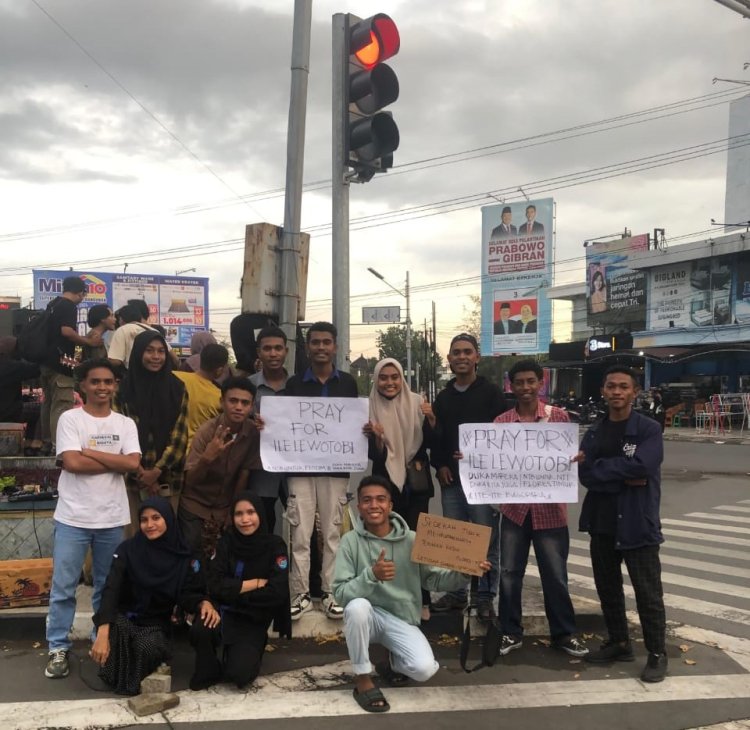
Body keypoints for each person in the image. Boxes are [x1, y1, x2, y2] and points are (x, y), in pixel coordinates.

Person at [333, 476, 490, 713]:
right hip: (368, 616)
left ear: (390, 505)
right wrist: (371, 575)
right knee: (356, 607)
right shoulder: (350, 541)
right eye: (367, 500)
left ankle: (392, 662)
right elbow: (341, 594)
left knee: (424, 669)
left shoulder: (413, 539)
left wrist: (465, 572)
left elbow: (434, 580)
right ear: (359, 508)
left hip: (401, 618)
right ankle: (363, 679)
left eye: (380, 499)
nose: (374, 505)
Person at [44, 359, 141, 680]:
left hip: (112, 518)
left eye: (108, 382)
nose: (102, 387)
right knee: (63, 587)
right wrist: (115, 460)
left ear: (116, 386)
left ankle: (103, 638)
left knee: (107, 586)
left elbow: (132, 465)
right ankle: (58, 646)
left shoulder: (125, 424)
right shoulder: (70, 419)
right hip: (73, 517)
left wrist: (92, 453)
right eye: (95, 381)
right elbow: (71, 462)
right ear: (82, 385)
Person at [492, 360, 588, 658]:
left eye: (530, 381)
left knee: (556, 576)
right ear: (511, 385)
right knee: (509, 573)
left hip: (550, 512)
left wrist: (576, 458)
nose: (525, 387)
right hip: (514, 512)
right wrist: (472, 458)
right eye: (519, 382)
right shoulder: (501, 424)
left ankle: (564, 633)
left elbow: (569, 456)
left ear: (540, 382)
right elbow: (492, 461)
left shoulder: (558, 418)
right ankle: (510, 632)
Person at [578, 366, 667, 683]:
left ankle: (657, 653)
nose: (616, 392)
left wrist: (604, 471)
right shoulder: (594, 431)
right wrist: (624, 476)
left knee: (648, 593)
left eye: (623, 387)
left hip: (637, 524)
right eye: (611, 386)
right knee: (608, 589)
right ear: (603, 391)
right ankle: (619, 642)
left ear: (635, 392)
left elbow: (644, 465)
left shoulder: (648, 429)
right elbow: (584, 474)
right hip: (601, 523)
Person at [90, 496, 220, 695]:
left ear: (167, 518)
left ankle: (146, 663)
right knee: (116, 638)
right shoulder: (128, 550)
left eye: (156, 518)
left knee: (144, 647)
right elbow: (111, 589)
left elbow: (187, 593)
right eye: (144, 520)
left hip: (155, 625)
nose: (150, 525)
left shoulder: (182, 556)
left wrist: (203, 602)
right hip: (126, 618)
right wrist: (102, 630)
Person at [283, 322, 359, 621]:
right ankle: (299, 593)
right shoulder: (294, 385)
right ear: (308, 347)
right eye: (315, 342)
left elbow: (352, 422)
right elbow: (285, 424)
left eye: (327, 342)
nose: (321, 348)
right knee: (299, 532)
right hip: (300, 468)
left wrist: (362, 429)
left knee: (332, 533)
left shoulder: (348, 384)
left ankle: (331, 592)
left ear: (335, 347)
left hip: (335, 469)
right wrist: (271, 425)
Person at [430, 333, 505, 620]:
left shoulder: (492, 394)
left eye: (467, 352)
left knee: (486, 540)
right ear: (449, 359)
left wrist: (480, 459)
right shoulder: (444, 397)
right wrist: (440, 465)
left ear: (477, 357)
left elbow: (503, 439)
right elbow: (437, 438)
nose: (461, 357)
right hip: (451, 482)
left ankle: (485, 596)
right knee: (457, 540)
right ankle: (458, 593)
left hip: (484, 483)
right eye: (456, 353)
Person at [191, 492, 291, 690]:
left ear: (260, 514)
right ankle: (209, 666)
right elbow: (215, 584)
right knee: (200, 628)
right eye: (239, 514)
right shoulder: (226, 542)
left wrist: (233, 594)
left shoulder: (274, 545)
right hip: (224, 612)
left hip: (251, 619)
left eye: (250, 512)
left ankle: (249, 649)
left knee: (239, 675)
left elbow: (276, 592)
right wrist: (253, 583)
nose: (245, 520)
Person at [365, 358, 436, 621]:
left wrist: (430, 419)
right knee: (386, 543)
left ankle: (422, 599)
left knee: (418, 543)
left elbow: (431, 442)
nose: (389, 382)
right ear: (376, 380)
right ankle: (389, 599)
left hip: (416, 484)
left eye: (394, 377)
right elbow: (372, 455)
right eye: (383, 377)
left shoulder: (418, 402)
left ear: (402, 378)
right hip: (384, 484)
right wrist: (377, 438)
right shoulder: (368, 406)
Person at [114, 330, 189, 532]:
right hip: (132, 482)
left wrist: (156, 472)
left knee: (164, 537)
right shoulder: (123, 390)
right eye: (149, 351)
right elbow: (119, 435)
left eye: (161, 351)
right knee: (134, 538)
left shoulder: (177, 388)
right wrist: (142, 474)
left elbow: (179, 437)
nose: (156, 357)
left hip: (169, 480)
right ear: (138, 353)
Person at [180, 377, 261, 557]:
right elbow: (190, 481)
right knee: (192, 554)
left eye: (245, 402)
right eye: (233, 401)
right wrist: (207, 458)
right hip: (195, 505)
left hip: (225, 508)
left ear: (251, 406)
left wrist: (233, 510)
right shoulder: (206, 432)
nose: (238, 407)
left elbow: (244, 473)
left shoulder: (252, 433)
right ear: (222, 402)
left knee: (225, 556)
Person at [40, 276, 102, 450]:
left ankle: (47, 442)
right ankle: (59, 445)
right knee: (62, 403)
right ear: (80, 292)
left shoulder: (53, 304)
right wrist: (88, 342)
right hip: (60, 363)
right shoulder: (68, 306)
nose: (82, 298)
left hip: (46, 361)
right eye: (83, 294)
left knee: (49, 403)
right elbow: (66, 332)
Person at [248, 325, 290, 533]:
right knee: (263, 523)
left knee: (304, 525)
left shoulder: (299, 386)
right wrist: (250, 425)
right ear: (259, 353)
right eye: (267, 348)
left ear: (286, 351)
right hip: (260, 470)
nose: (273, 353)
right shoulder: (248, 387)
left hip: (295, 469)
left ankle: (309, 567)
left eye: (278, 348)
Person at [174, 343, 228, 450]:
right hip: (195, 451)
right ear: (219, 370)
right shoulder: (219, 397)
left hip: (170, 446)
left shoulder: (175, 377)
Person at [0, 336, 40, 425]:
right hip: (9, 413)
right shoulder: (11, 366)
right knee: (43, 409)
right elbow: (36, 370)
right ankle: (33, 438)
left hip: (6, 409)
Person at [108, 303, 156, 371]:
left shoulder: (122, 330)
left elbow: (115, 361)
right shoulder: (153, 330)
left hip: (134, 374)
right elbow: (173, 356)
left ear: (121, 319)